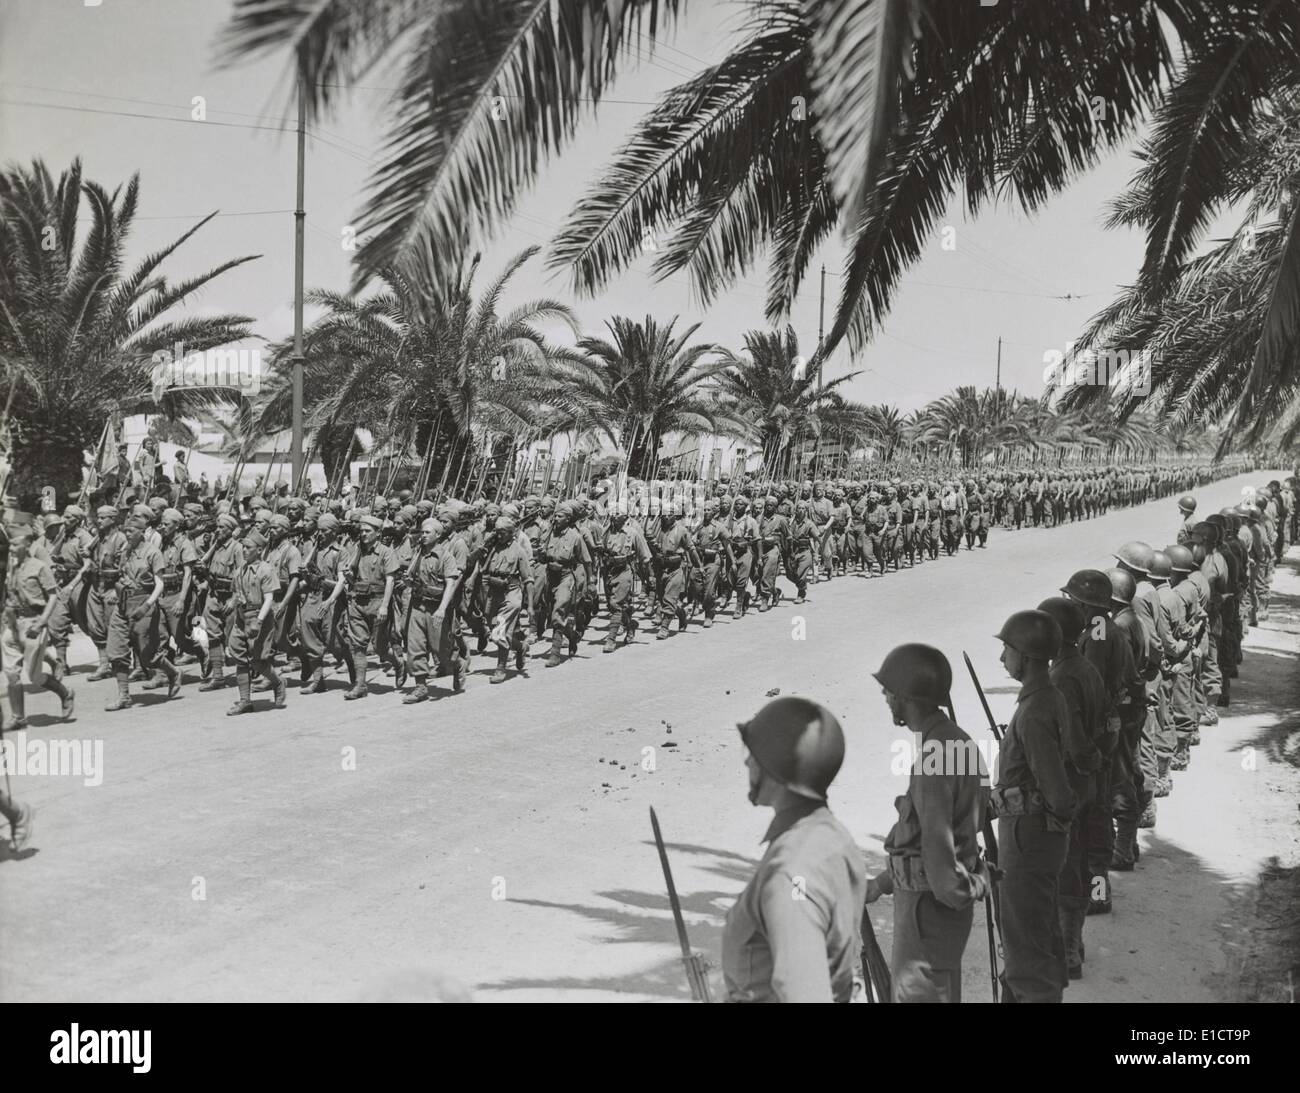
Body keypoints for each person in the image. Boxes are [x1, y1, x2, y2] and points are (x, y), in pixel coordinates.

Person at [865, 644, 988, 1002]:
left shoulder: (935, 756)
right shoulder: (958, 741)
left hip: (927, 914)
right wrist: (881, 884)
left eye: (889, 690)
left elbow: (938, 852)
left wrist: (972, 888)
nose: (886, 697)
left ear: (907, 696)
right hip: (935, 915)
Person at [722, 696, 864, 1002]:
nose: (747, 761)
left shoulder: (792, 871)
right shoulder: (834, 838)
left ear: (776, 767)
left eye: (754, 754)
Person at [991, 609, 1075, 1002]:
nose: (1002, 658)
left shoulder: (1035, 711)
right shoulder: (1045, 697)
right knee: (1035, 935)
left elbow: (1058, 794)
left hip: (1028, 840)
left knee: (1027, 948)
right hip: (1033, 835)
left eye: (1006, 649)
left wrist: (1026, 808)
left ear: (1024, 655)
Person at [2, 527, 76, 726]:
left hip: (34, 622)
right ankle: (18, 717)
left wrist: (43, 621)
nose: (11, 548)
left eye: (16, 544)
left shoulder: (39, 566)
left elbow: (53, 595)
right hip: (13, 624)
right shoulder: (12, 567)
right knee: (11, 673)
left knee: (34, 677)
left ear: (27, 545)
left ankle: (65, 692)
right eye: (10, 545)